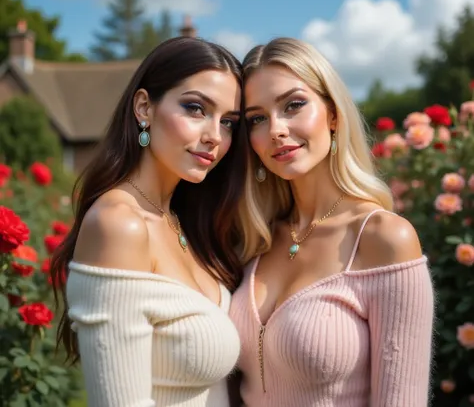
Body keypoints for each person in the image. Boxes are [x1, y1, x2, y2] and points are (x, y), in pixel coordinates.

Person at [229, 37, 434, 406]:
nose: (275, 129)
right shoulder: (253, 237)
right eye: (257, 118)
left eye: (293, 105)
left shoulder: (382, 238)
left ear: (333, 114)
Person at [51, 37, 247, 407]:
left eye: (229, 123)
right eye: (195, 108)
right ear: (144, 107)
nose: (214, 136)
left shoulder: (181, 220)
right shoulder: (119, 225)